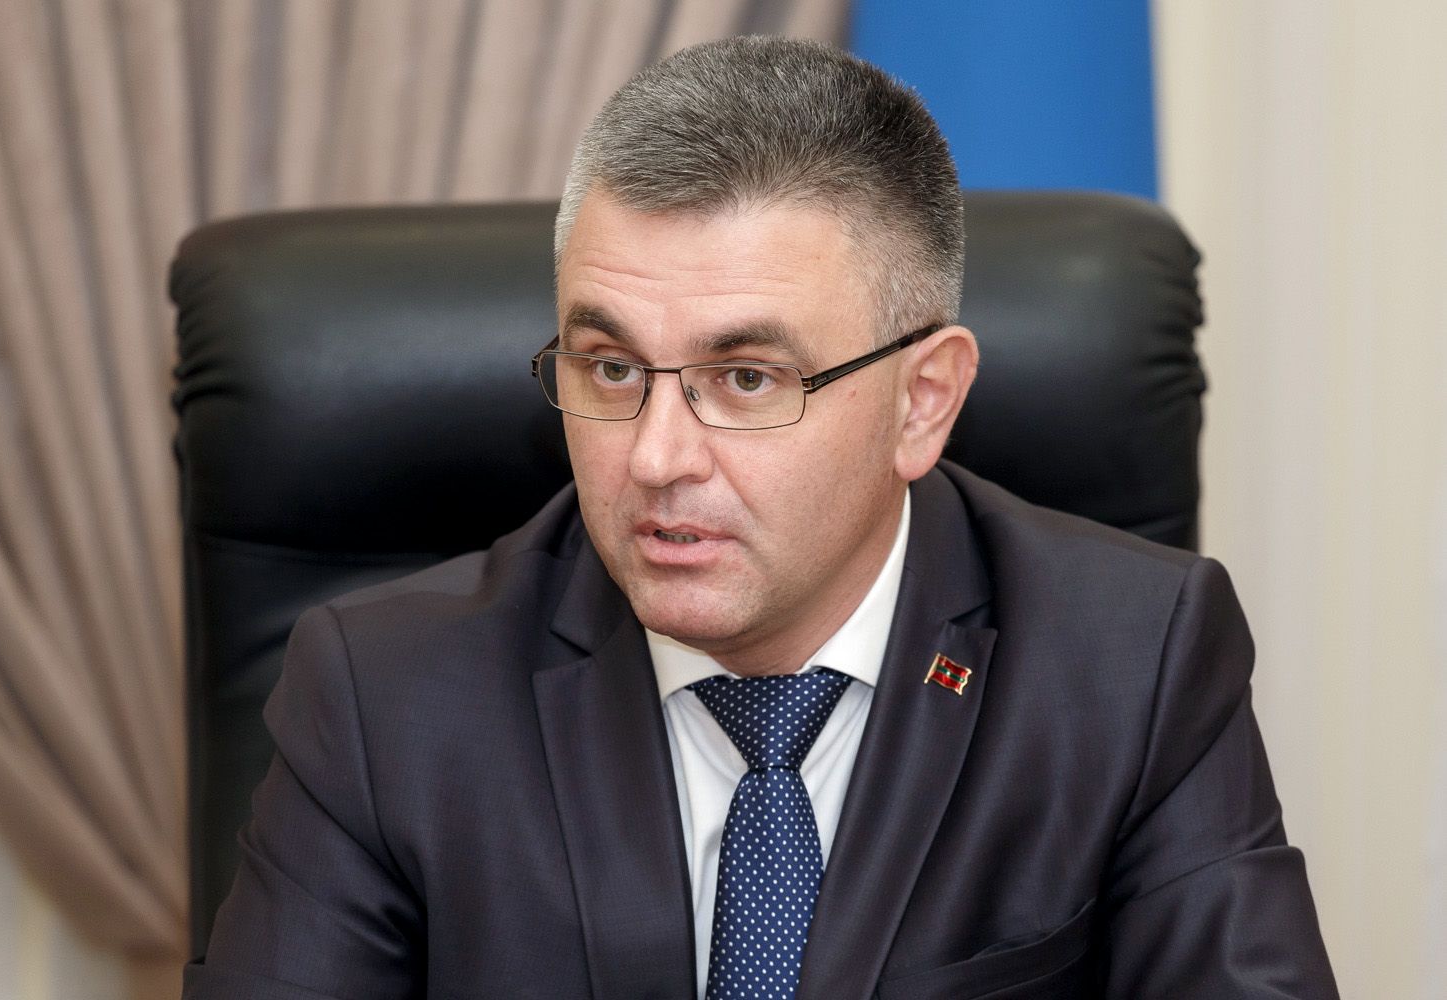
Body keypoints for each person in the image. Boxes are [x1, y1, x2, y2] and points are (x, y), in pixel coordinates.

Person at [182, 36, 1337, 1000]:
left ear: (922, 401)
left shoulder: (1132, 662)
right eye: (611, 367)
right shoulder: (385, 697)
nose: (656, 458)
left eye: (745, 379)